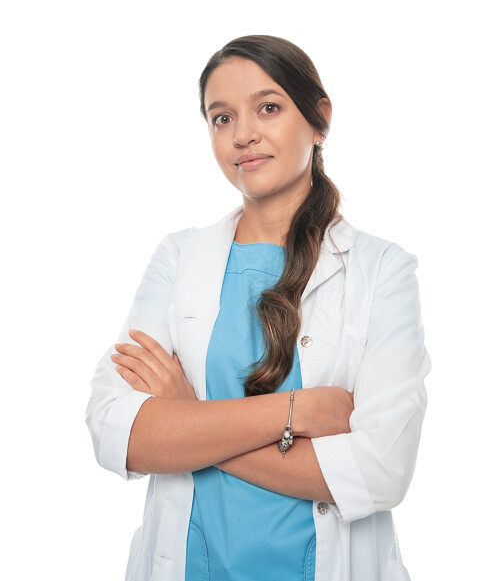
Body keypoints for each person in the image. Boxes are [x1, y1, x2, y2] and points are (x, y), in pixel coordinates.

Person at [85, 34, 431, 581]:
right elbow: (117, 432)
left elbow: (380, 471)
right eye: (221, 118)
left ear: (319, 119)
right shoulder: (178, 258)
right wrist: (296, 412)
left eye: (268, 108)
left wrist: (189, 420)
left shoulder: (382, 270)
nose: (242, 134)